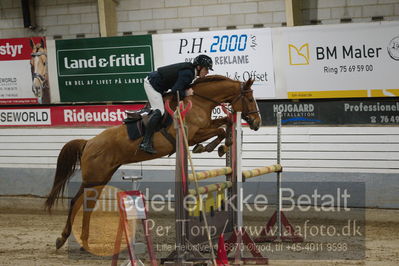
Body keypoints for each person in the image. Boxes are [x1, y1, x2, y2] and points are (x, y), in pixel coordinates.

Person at [140, 54, 213, 154]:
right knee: (159, 111)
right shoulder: (188, 73)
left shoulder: (190, 72)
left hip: (159, 85)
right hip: (152, 84)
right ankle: (145, 142)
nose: (207, 72)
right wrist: (185, 93)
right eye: (206, 69)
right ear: (199, 67)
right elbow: (176, 90)